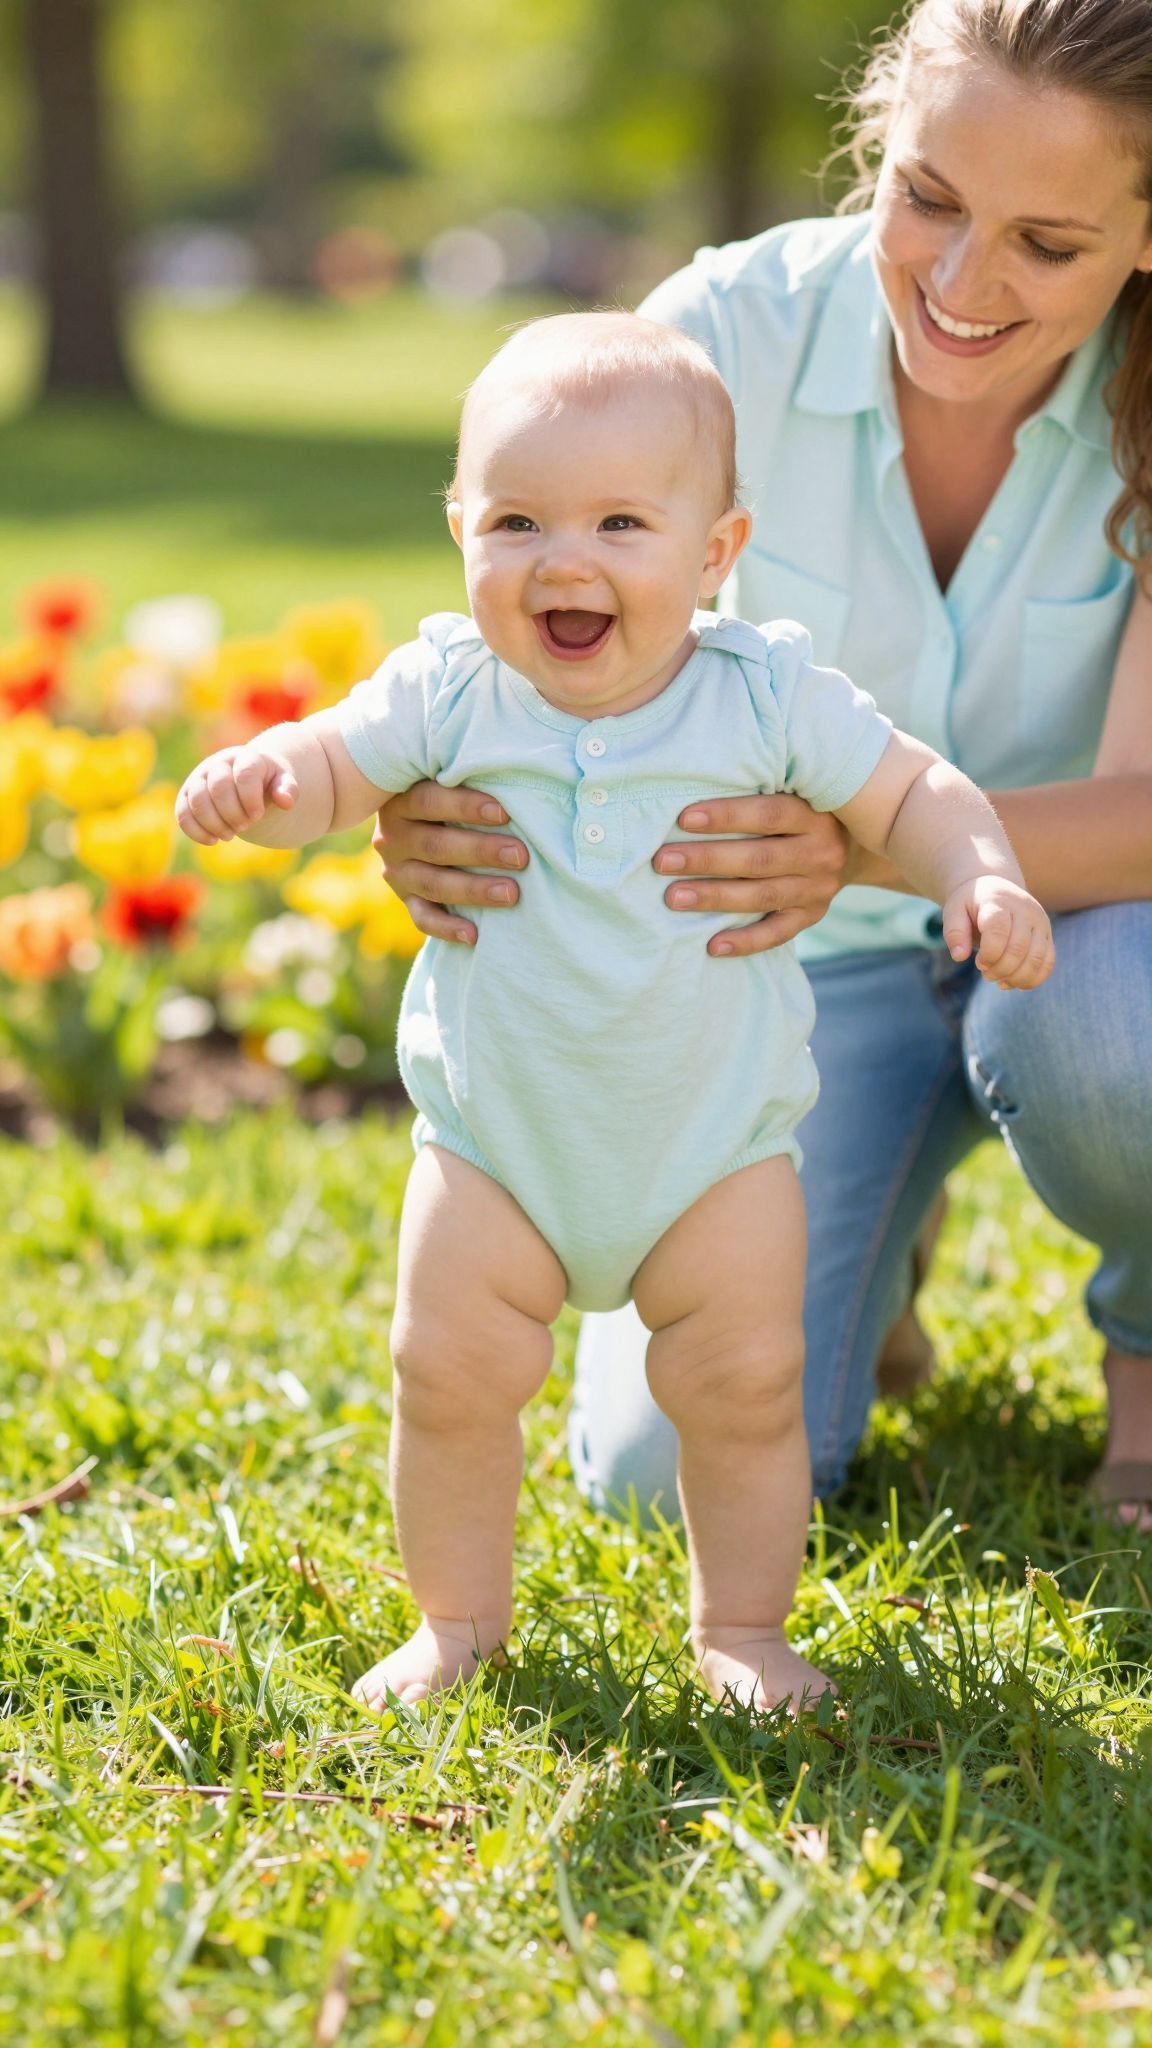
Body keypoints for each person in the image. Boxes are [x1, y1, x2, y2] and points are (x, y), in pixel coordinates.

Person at [176, 313, 1052, 1711]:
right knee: (446, 1375)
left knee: (746, 1393)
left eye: (622, 524)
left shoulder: (763, 694)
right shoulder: (451, 691)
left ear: (715, 554)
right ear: (460, 528)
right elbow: (335, 768)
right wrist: (270, 783)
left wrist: (983, 868)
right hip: (497, 1147)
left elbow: (912, 794)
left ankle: (743, 1633)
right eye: (516, 518)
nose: (563, 560)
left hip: (712, 1153)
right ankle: (457, 1623)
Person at [372, 0, 1152, 1525]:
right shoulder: (720, 332)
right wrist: (439, 791)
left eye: (1046, 246)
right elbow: (545, 625)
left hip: (1084, 951)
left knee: (1116, 1049)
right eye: (925, 197)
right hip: (776, 972)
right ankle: (874, 1243)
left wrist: (869, 839)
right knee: (663, 1478)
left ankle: (1150, 1348)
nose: (959, 281)